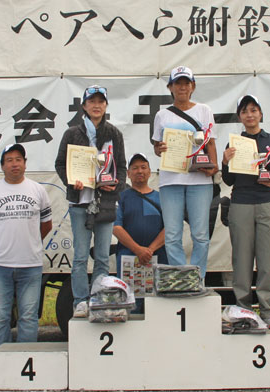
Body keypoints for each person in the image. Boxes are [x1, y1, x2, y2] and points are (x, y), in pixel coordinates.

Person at [55, 85, 126, 318]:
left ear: (106, 105)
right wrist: (71, 181)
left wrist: (115, 185)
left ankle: (98, 298)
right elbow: (60, 164)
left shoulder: (114, 134)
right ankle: (80, 301)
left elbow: (121, 167)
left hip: (105, 203)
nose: (96, 106)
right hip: (80, 202)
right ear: (84, 106)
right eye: (92, 101)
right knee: (80, 257)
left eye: (100, 101)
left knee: (103, 257)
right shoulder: (72, 133)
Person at [0, 143, 53, 351]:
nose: (14, 164)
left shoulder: (38, 190)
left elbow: (46, 225)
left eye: (18, 159)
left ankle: (25, 358)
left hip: (31, 265)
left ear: (25, 164)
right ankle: (0, 361)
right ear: (2, 166)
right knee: (0, 316)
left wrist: (31, 242)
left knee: (29, 316)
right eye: (9, 160)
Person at [221, 94, 270, 329]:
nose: (250, 115)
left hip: (268, 202)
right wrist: (225, 162)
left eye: (254, 110)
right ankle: (243, 310)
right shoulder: (234, 144)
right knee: (242, 260)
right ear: (239, 117)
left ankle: (268, 312)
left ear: (261, 114)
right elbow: (228, 180)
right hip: (241, 203)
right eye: (245, 111)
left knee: (268, 260)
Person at [152, 66, 218, 278]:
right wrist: (159, 149)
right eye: (177, 83)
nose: (182, 87)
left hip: (199, 180)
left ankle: (197, 279)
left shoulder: (204, 110)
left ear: (193, 86)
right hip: (170, 180)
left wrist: (213, 166)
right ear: (170, 87)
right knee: (172, 235)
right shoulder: (161, 115)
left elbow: (210, 143)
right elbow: (157, 146)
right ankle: (180, 279)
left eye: (186, 83)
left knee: (200, 234)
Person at [113, 153, 167, 311]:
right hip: (129, 260)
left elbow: (170, 228)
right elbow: (116, 227)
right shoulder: (120, 198)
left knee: (158, 308)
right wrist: (138, 250)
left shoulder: (161, 198)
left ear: (150, 172)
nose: (139, 171)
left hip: (158, 258)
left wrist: (149, 250)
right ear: (128, 174)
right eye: (135, 168)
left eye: (143, 167)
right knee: (131, 308)